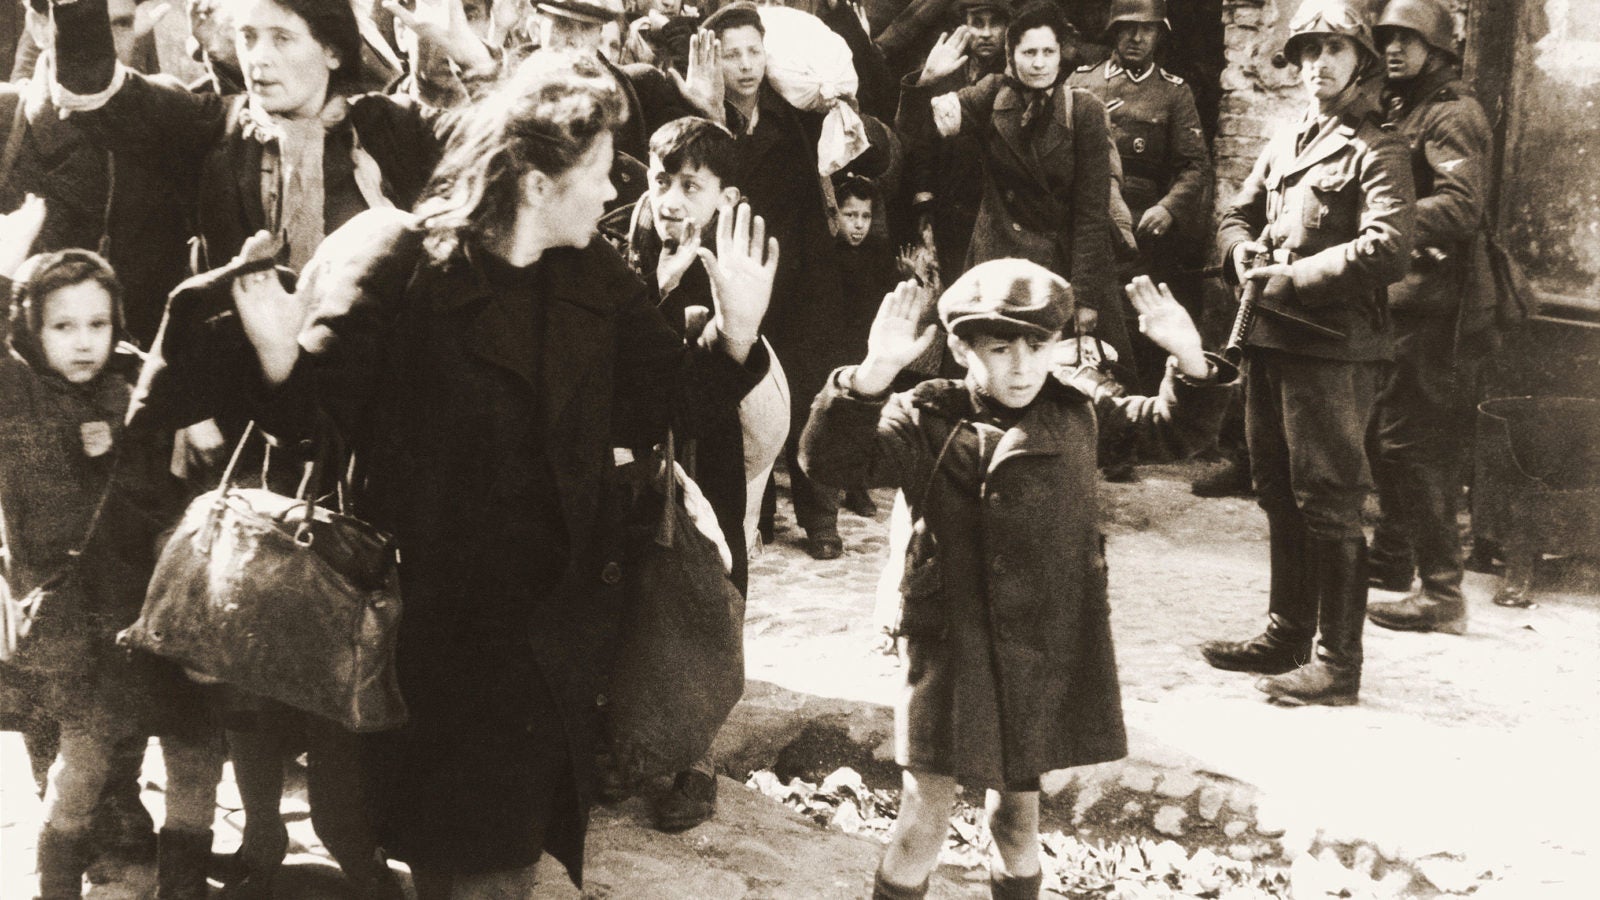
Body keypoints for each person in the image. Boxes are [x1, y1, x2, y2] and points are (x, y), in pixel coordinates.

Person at [227, 52, 777, 898]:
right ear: (536, 177)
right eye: (597, 171)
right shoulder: (403, 265)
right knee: (459, 861)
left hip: (546, 635)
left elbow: (658, 406)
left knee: (499, 860)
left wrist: (734, 337)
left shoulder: (596, 275)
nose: (610, 192)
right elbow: (315, 431)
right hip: (423, 633)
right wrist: (274, 363)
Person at [47, 1, 488, 894]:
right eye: (247, 36)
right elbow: (95, 91)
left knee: (352, 631)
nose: (259, 57)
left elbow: (504, 154)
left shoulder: (390, 129)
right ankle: (260, 841)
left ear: (333, 46)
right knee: (244, 631)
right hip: (252, 426)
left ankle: (359, 847)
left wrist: (459, 51)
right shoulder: (215, 128)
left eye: (282, 36)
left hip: (371, 425)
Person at [799, 261, 1233, 900]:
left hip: (1041, 647)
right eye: (1000, 349)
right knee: (923, 821)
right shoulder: (925, 415)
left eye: (1039, 346)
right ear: (960, 348)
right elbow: (828, 460)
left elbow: (1175, 430)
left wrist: (1191, 360)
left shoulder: (1081, 410)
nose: (1023, 367)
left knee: (1017, 821)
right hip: (951, 645)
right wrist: (871, 377)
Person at [0, 203, 222, 900]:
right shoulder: (19, 393)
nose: (84, 341)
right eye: (62, 326)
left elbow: (188, 466)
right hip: (80, 621)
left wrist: (190, 426)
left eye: (98, 323)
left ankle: (182, 885)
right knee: (83, 763)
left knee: (194, 755)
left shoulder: (139, 380)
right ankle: (57, 885)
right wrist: (7, 263)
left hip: (162, 605)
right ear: (30, 328)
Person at [1199, 0, 1415, 707]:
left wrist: (1297, 274)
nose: (1318, 64)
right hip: (1269, 340)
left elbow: (1388, 248)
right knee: (1275, 489)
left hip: (1334, 349)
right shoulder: (1287, 138)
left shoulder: (1376, 148)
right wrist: (1241, 253)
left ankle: (1337, 663)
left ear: (1361, 63)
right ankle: (1285, 632)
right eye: (1308, 52)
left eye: (1334, 51)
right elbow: (1235, 210)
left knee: (1329, 500)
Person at [623, 113, 789, 831]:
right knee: (632, 592)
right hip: (631, 459)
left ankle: (696, 762)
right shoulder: (619, 250)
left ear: (723, 196)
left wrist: (727, 327)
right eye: (663, 180)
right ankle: (625, 744)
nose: (671, 198)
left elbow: (737, 390)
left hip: (708, 455)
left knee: (709, 594)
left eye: (692, 185)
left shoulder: (730, 264)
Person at [701, 1, 892, 560]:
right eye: (732, 54)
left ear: (768, 54)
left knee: (811, 390)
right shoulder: (705, 119)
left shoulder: (797, 114)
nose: (744, 65)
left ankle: (819, 517)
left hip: (805, 275)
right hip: (737, 278)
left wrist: (848, 112)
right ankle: (751, 514)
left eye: (753, 51)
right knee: (743, 396)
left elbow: (870, 152)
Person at [899, 3, 1130, 374]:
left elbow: (1091, 211)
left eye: (1047, 52)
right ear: (1012, 55)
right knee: (995, 371)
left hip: (1063, 262)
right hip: (998, 258)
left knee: (1068, 376)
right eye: (1029, 52)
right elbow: (921, 132)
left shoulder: (1084, 110)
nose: (1038, 63)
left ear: (1061, 55)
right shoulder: (992, 94)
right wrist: (924, 84)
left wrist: (1086, 297)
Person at [1363, 0, 1494, 634]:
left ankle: (1443, 594)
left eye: (1408, 40)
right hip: (1406, 299)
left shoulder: (1452, 113)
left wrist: (1386, 222)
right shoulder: (1403, 104)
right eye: (1386, 38)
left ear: (1437, 50)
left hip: (1440, 305)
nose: (1393, 49)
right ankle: (1390, 560)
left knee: (1415, 444)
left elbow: (1461, 205)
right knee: (1388, 432)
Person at [1066, 0, 1211, 394]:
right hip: (1085, 218)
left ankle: (1139, 412)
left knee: (1136, 322)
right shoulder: (1081, 82)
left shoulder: (1173, 93)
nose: (1136, 37)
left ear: (1159, 34)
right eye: (1127, 27)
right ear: (1113, 29)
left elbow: (1195, 166)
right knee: (1079, 318)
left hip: (1143, 229)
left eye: (1146, 29)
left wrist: (1168, 207)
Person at [898, 0, 1012, 285]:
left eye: (994, 23)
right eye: (977, 23)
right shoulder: (946, 71)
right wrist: (923, 198)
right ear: (964, 26)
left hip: (998, 213)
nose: (986, 33)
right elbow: (918, 138)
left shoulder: (1016, 74)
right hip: (948, 210)